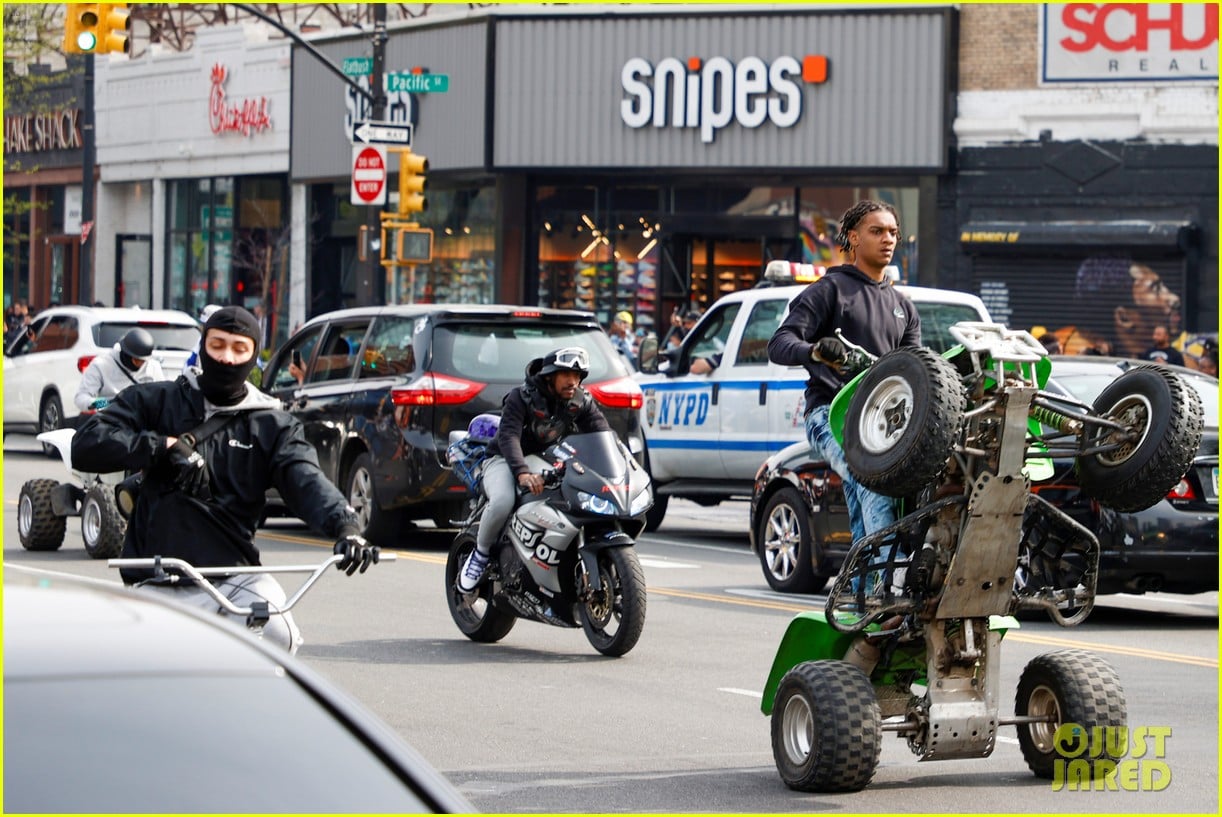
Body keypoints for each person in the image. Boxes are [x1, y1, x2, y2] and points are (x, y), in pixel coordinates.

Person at [71, 306, 375, 653]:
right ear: (203, 346)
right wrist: (160, 445)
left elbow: (305, 477)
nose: (227, 358)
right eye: (217, 345)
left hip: (236, 579)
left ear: (252, 356)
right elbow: (87, 442)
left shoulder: (272, 424)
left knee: (279, 635)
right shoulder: (157, 400)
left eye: (239, 349)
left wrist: (346, 525)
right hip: (157, 576)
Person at [768, 199, 921, 559]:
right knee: (873, 480)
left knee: (865, 499)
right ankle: (887, 587)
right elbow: (780, 343)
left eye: (894, 233)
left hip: (882, 423)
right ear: (853, 238)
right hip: (830, 415)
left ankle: (860, 597)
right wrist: (816, 351)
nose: (888, 239)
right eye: (877, 231)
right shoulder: (829, 290)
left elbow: (916, 367)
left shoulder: (904, 307)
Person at [457, 346, 612, 592]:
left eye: (578, 376)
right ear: (549, 375)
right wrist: (522, 472)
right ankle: (480, 554)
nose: (573, 381)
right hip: (504, 459)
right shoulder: (521, 397)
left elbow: (601, 432)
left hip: (550, 459)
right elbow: (508, 437)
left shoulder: (580, 401)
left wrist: (615, 467)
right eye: (567, 375)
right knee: (503, 500)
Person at [73, 327, 165, 413]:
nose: (141, 365)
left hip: (143, 418)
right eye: (136, 361)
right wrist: (106, 403)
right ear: (126, 354)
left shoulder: (152, 366)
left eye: (143, 361)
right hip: (113, 417)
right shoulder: (101, 364)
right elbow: (81, 398)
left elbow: (163, 398)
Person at [183, 303, 222, 373]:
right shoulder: (201, 339)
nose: (202, 328)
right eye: (202, 324)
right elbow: (189, 364)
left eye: (205, 325)